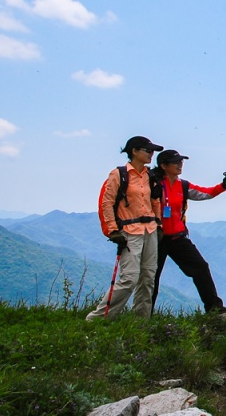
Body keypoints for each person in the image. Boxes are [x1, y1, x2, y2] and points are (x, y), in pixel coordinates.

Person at [87, 136, 163, 320]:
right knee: (129, 278)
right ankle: (98, 318)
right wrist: (113, 230)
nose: (151, 154)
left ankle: (141, 321)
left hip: (150, 230)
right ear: (134, 151)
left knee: (148, 278)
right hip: (129, 231)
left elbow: (155, 201)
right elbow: (107, 202)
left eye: (152, 151)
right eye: (147, 150)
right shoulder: (119, 174)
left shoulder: (149, 175)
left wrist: (159, 224)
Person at [151, 149, 226, 314]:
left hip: (177, 237)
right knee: (151, 277)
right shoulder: (153, 184)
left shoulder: (183, 185)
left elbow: (205, 193)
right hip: (155, 238)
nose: (180, 164)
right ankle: (145, 313)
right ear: (163, 165)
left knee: (201, 267)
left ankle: (213, 307)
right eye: (176, 162)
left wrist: (223, 185)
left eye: (181, 161)